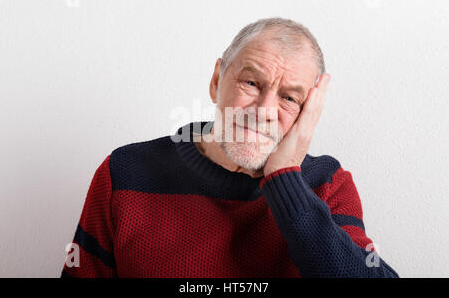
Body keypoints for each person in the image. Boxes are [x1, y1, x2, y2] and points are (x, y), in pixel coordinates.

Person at [61, 17, 399, 278]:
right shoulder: (124, 172)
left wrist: (284, 179)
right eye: (251, 83)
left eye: (289, 98)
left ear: (308, 113)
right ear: (216, 81)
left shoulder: (328, 184)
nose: (264, 111)